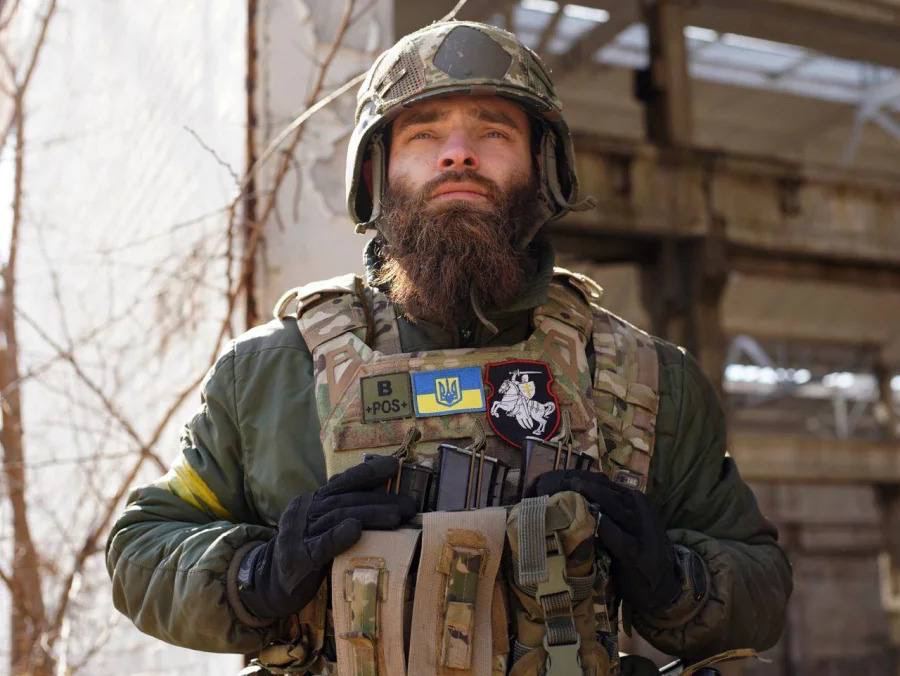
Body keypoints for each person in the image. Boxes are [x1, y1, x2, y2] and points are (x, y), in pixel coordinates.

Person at [107, 20, 792, 675]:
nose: (458, 154)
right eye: (424, 133)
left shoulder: (647, 379)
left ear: (544, 168)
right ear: (374, 175)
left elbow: (761, 585)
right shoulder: (268, 374)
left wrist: (675, 579)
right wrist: (256, 574)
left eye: (493, 132)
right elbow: (141, 550)